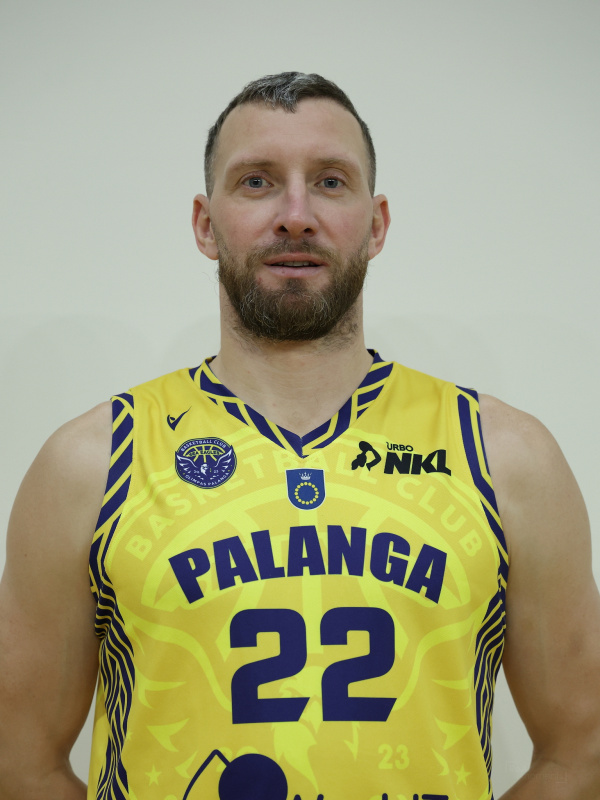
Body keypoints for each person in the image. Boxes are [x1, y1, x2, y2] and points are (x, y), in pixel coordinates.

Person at [0, 71, 599, 800]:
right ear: (205, 223)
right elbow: (20, 762)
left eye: (330, 182)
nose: (295, 215)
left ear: (376, 224)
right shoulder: (91, 464)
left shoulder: (505, 458)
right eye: (256, 182)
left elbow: (583, 748)